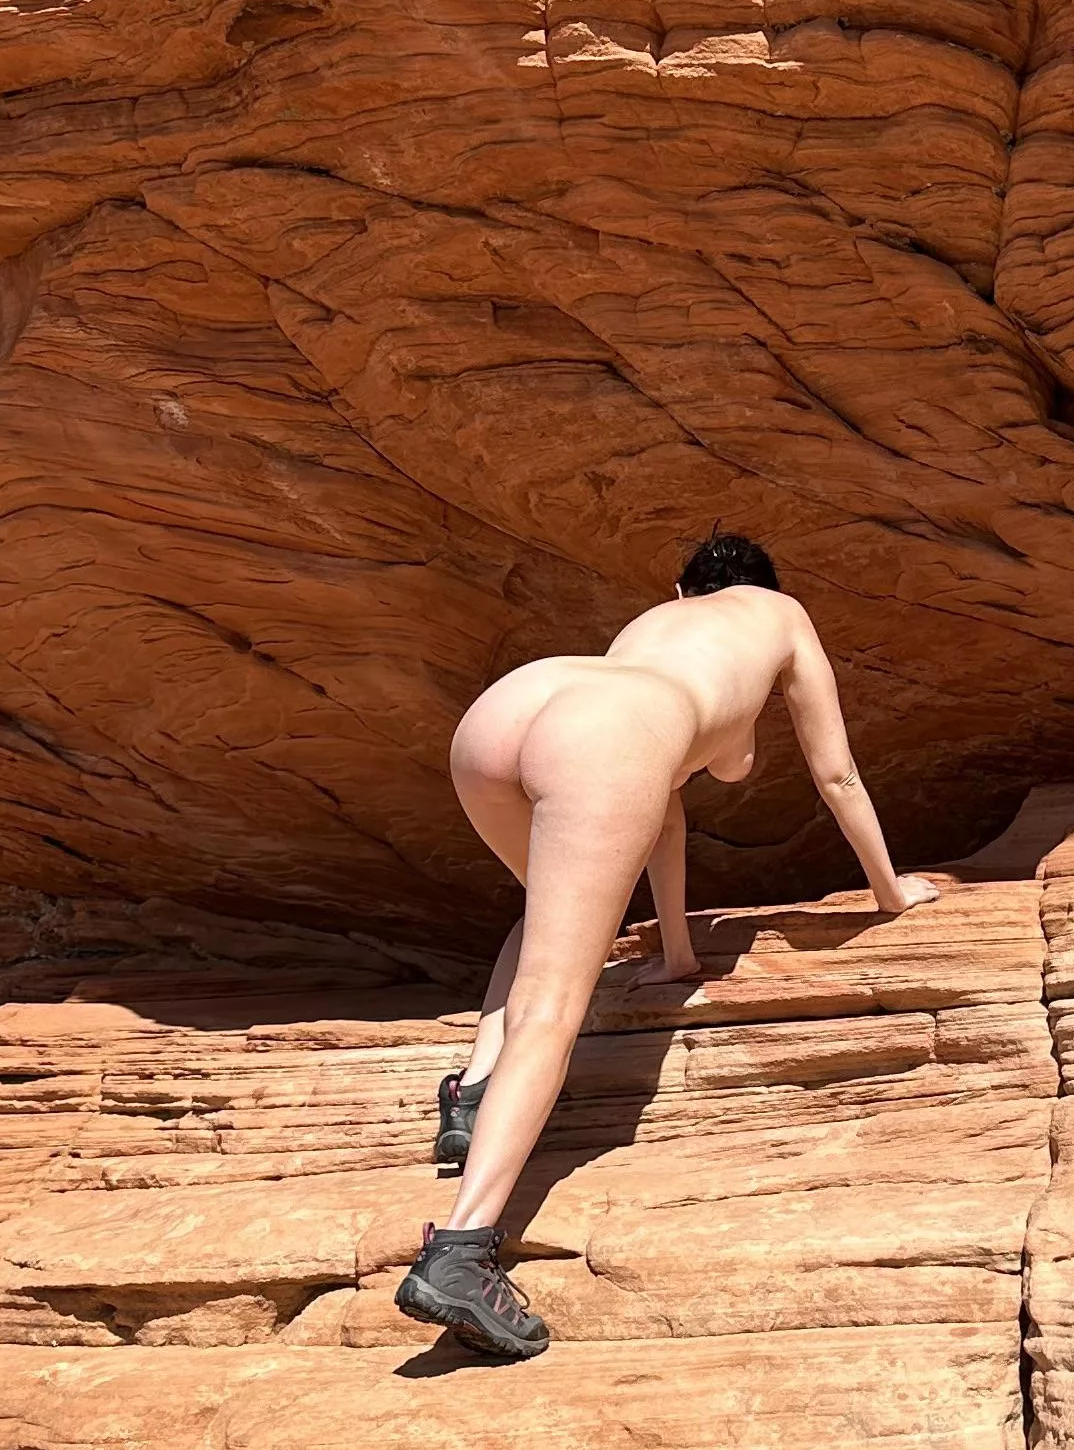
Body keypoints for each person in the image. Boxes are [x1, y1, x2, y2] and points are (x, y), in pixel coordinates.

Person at [396, 532, 939, 1360]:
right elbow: (835, 777)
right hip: (608, 733)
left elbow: (664, 811)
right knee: (556, 1001)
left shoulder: (655, 624)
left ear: (682, 589)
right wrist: (890, 893)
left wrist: (678, 953)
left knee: (551, 910)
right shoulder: (783, 615)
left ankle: (473, 1092)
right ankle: (463, 1252)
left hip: (518, 699)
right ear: (765, 586)